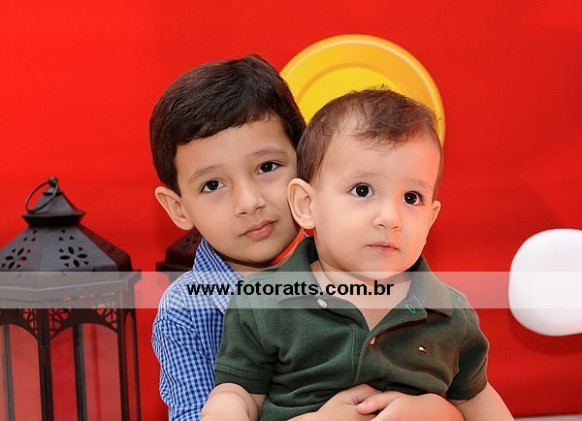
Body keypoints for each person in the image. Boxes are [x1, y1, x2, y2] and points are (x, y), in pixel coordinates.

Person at [150, 56, 465, 421]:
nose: (249, 202)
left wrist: (444, 411)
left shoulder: (367, 259)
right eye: (212, 185)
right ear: (178, 207)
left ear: (307, 163)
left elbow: (455, 384)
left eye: (267, 167)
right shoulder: (187, 311)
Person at [202, 89, 515, 421]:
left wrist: (440, 413)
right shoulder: (261, 303)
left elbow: (477, 398)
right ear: (307, 205)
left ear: (431, 218)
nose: (390, 218)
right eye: (362, 190)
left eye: (411, 198)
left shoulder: (450, 314)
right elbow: (238, 394)